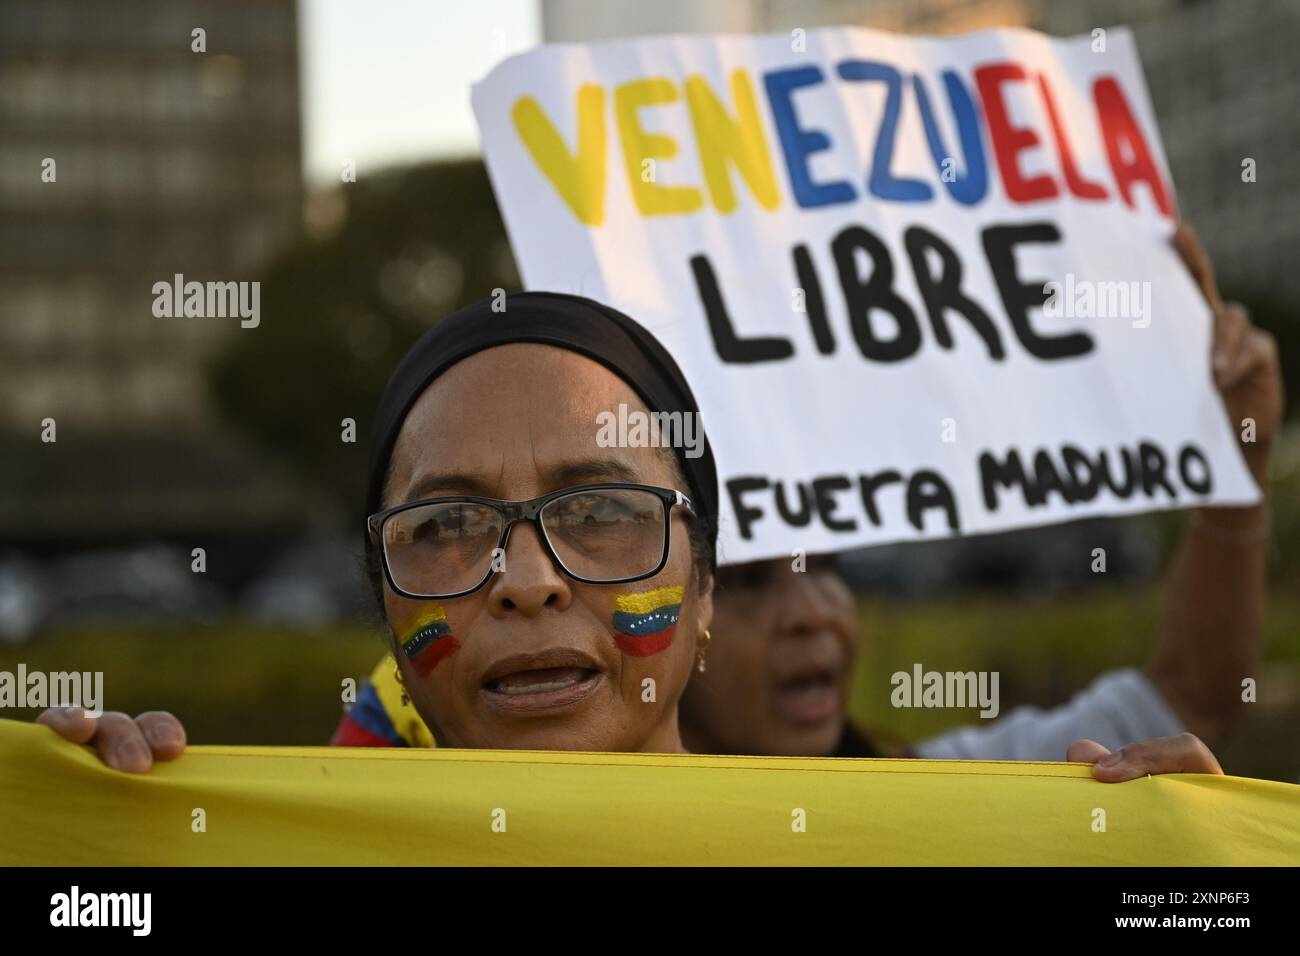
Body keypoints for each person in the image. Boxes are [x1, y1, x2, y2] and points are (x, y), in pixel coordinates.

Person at [38, 292, 1229, 781]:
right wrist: (111, 884)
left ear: (700, 584)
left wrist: (1173, 893)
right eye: (447, 523)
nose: (525, 579)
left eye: (600, 510)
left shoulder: (910, 847)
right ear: (384, 605)